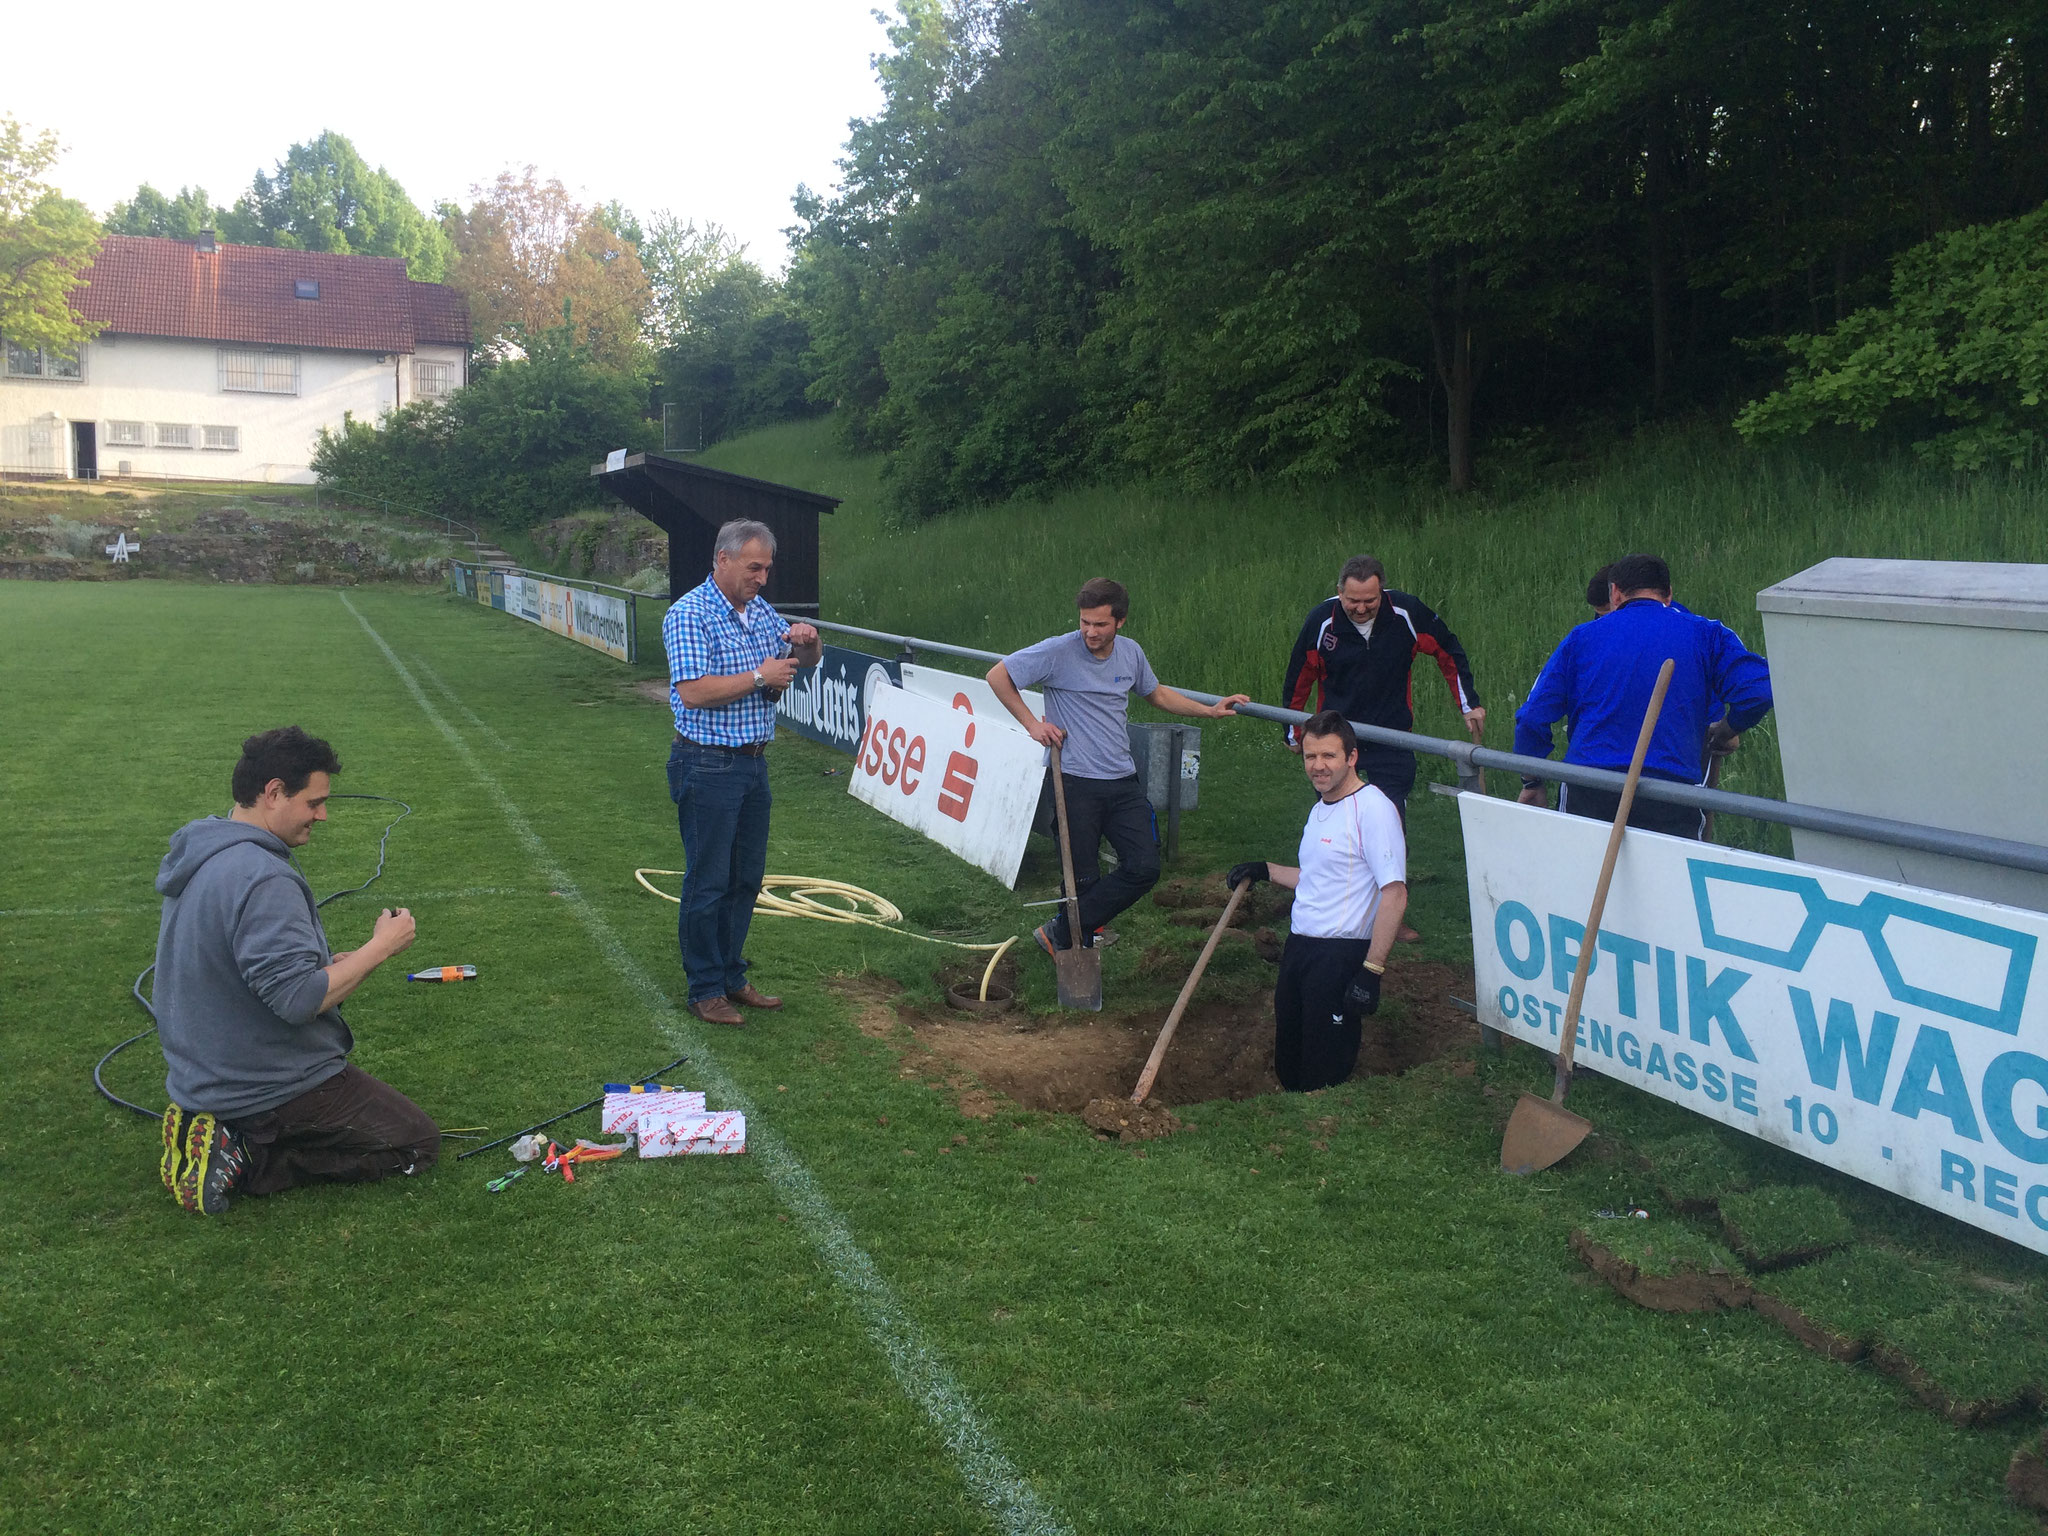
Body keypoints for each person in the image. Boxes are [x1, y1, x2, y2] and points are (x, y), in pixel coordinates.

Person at [153, 727, 437, 1216]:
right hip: (261, 1082)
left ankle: (221, 1129)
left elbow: (249, 970)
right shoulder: (263, 878)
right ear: (273, 793)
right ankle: (245, 1153)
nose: (322, 815)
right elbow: (298, 1001)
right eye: (314, 802)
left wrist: (334, 967)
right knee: (416, 1143)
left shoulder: (207, 851)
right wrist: (380, 948)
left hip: (202, 1072)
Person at [987, 577, 1249, 958]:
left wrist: (1208, 710)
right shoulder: (1059, 651)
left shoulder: (1131, 654)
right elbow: (999, 676)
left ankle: (1062, 931)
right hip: (1075, 781)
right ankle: (1076, 946)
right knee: (1081, 877)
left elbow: (1154, 692)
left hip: (1122, 781)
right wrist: (1033, 724)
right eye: (1085, 623)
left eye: (1100, 625)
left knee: (1144, 866)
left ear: (1120, 622)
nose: (1090, 633)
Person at [664, 518, 821, 1026]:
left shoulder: (759, 612)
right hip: (707, 762)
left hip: (752, 764)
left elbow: (803, 664)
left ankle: (732, 975)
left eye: (767, 569)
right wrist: (759, 677)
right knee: (708, 881)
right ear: (723, 560)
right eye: (754, 567)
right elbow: (693, 691)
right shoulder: (689, 613)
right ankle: (705, 988)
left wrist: (807, 641)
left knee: (745, 880)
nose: (762, 578)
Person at [1279, 554, 1481, 941]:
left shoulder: (1405, 612)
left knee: (1389, 824)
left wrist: (1468, 703)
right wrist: (1294, 731)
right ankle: (1331, 901)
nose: (1360, 608)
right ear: (1339, 592)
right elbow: (1299, 675)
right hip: (1338, 737)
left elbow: (1448, 650)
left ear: (1381, 591)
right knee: (1338, 826)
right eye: (1352, 600)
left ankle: (1389, 914)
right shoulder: (1322, 621)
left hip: (1392, 736)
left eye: (1369, 600)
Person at [1515, 552, 1772, 838]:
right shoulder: (1708, 633)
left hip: (1589, 785)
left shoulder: (1581, 637)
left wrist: (1532, 782)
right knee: (1667, 882)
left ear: (1614, 593)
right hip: (1671, 793)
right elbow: (1759, 691)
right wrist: (1728, 727)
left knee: (1583, 880)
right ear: (1669, 594)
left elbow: (1531, 717)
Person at [1226, 710, 1408, 1092]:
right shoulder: (1321, 808)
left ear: (1351, 757)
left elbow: (1394, 892)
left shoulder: (1373, 809)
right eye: (1311, 757)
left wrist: (1372, 971)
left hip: (1339, 955)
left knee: (1324, 1067)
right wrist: (1266, 869)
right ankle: (1292, 1130)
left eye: (1329, 756)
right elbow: (1317, 878)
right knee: (1289, 1055)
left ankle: (1324, 1134)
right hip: (1300, 947)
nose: (1318, 766)